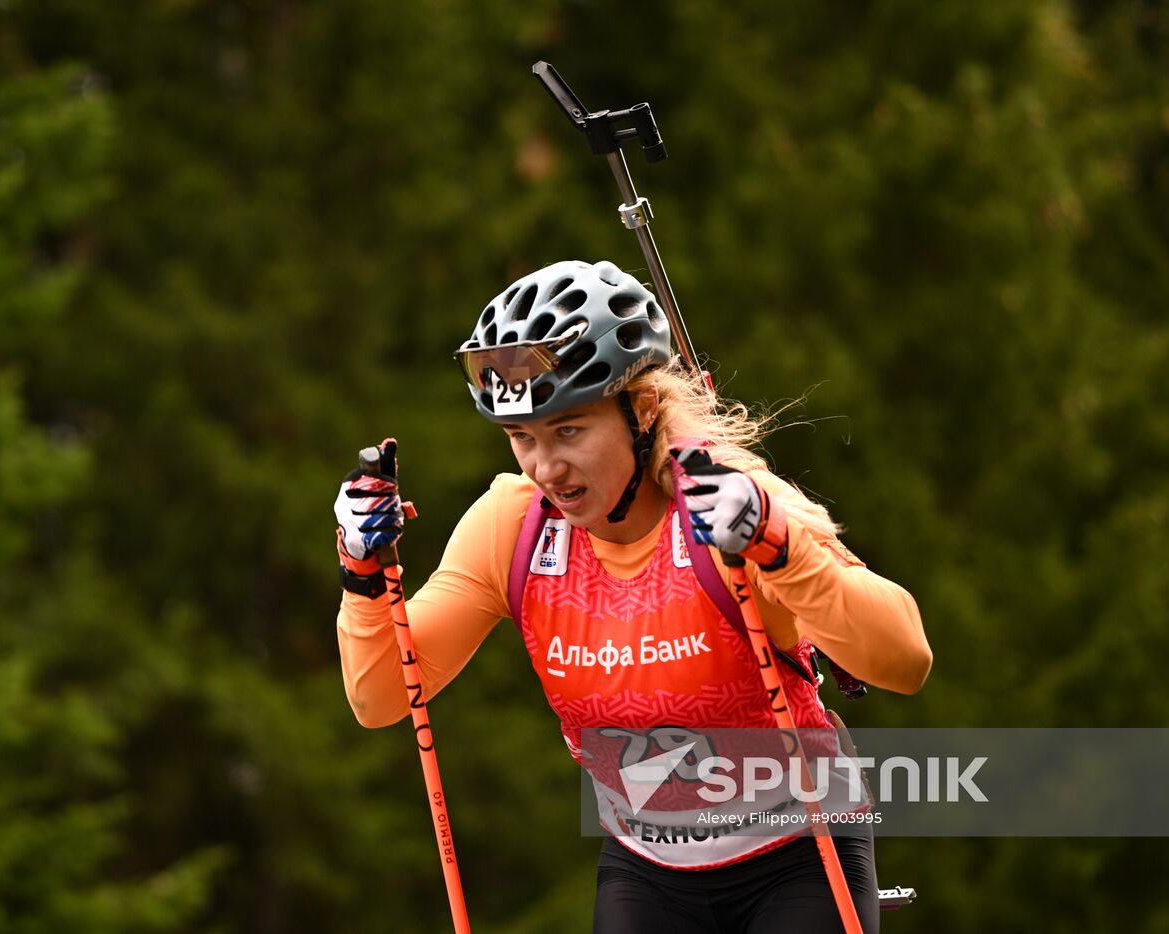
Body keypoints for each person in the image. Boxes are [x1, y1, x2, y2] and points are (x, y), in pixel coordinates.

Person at [334, 260, 932, 933]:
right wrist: (361, 570)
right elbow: (382, 696)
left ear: (642, 409)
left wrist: (775, 542)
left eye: (569, 431)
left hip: (798, 852)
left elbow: (905, 659)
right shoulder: (513, 525)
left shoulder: (724, 502)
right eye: (521, 438)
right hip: (649, 866)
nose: (546, 467)